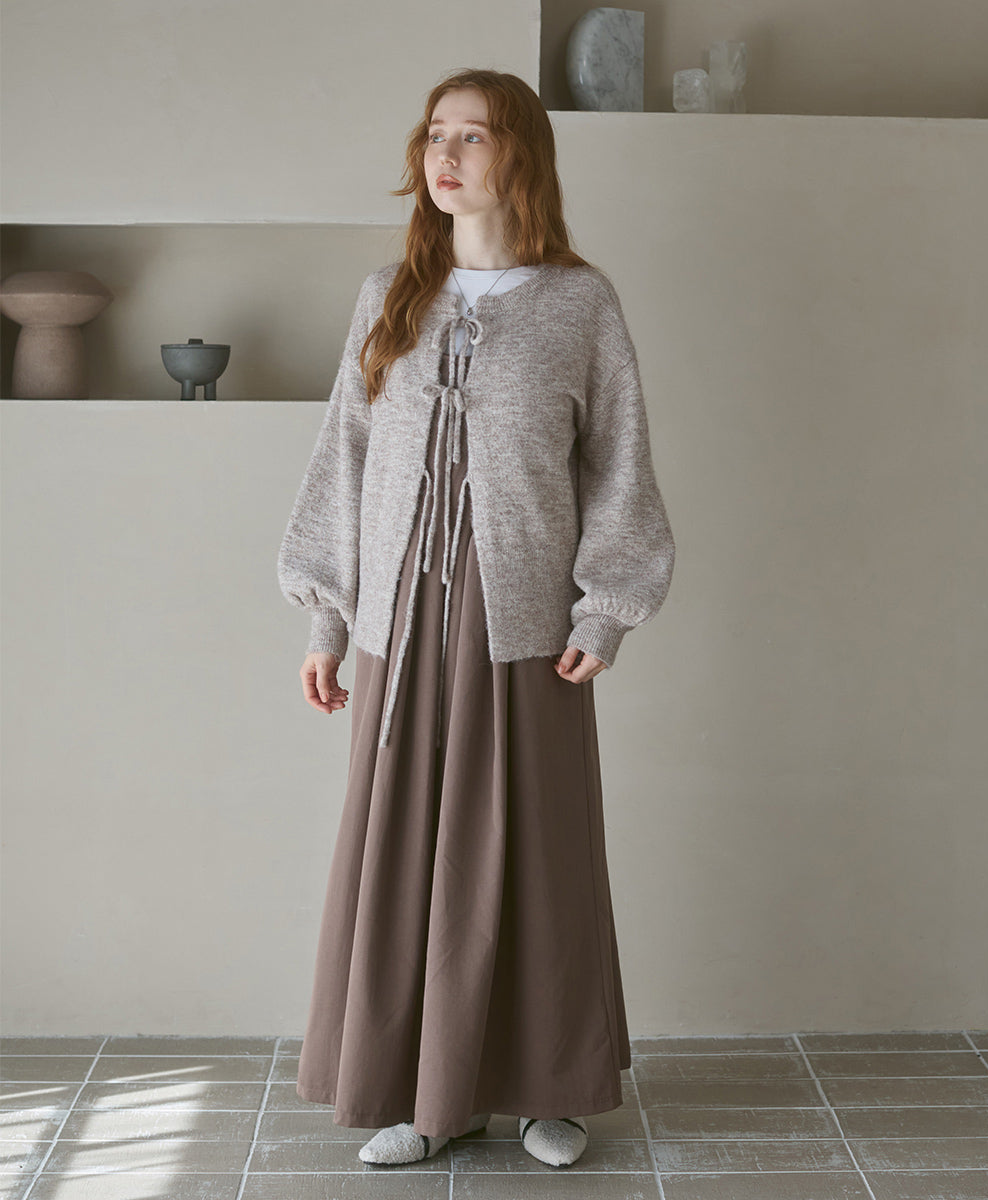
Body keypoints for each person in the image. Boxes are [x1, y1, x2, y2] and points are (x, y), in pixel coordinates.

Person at [277, 67, 675, 1169]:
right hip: (398, 630)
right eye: (435, 135)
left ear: (522, 156)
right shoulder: (389, 295)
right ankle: (423, 1099)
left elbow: (618, 465)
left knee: (534, 858)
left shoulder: (579, 304)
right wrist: (325, 621)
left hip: (525, 630)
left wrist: (605, 612)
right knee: (404, 860)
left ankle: (548, 1091)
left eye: (474, 135)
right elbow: (344, 461)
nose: (445, 155)